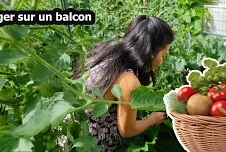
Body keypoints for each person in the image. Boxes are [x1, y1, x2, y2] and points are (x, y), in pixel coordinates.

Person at [75, 15, 175, 152]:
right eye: (163, 55)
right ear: (151, 52)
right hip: (94, 146)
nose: (162, 61)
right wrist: (152, 119)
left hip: (75, 137)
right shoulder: (128, 80)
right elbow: (127, 130)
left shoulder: (109, 54)